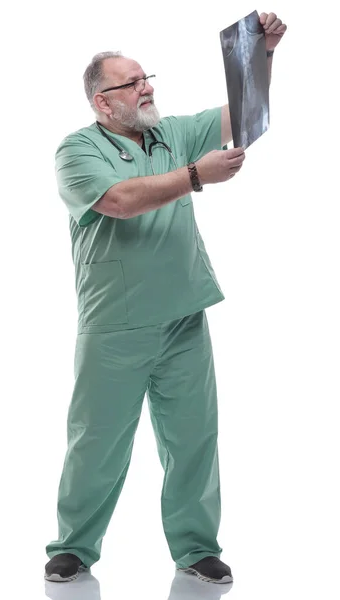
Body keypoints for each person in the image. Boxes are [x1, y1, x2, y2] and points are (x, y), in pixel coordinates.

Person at [44, 11, 287, 585]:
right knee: (97, 444)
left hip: (183, 315)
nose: (146, 87)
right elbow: (120, 200)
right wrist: (195, 178)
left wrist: (261, 55)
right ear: (103, 102)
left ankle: (197, 548)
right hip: (116, 324)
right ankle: (74, 547)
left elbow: (247, 116)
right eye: (131, 82)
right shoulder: (76, 151)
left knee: (194, 440)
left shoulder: (171, 133)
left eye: (146, 77)